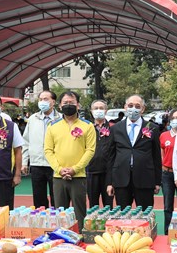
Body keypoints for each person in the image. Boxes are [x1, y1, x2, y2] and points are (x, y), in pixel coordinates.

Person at [43, 91, 95, 228]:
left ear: (78, 105)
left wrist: (75, 169)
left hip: (78, 176)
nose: (68, 105)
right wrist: (59, 169)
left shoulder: (88, 126)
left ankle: (80, 238)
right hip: (58, 177)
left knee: (79, 213)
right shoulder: (52, 126)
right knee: (60, 213)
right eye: (65, 103)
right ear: (59, 106)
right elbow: (48, 150)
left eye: (71, 103)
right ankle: (61, 240)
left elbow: (90, 150)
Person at [106, 94, 160, 209]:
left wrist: (157, 181)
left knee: (145, 215)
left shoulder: (153, 128)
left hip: (144, 178)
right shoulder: (116, 128)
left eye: (137, 106)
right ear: (125, 107)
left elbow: (156, 156)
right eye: (130, 105)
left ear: (143, 109)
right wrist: (109, 182)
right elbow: (111, 156)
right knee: (123, 216)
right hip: (121, 179)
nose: (133, 109)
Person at [22, 90, 62, 209]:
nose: (42, 102)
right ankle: (41, 223)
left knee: (57, 198)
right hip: (37, 164)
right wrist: (24, 162)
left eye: (46, 99)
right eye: (40, 99)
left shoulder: (60, 118)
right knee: (39, 199)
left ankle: (57, 222)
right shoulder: (33, 119)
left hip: (55, 164)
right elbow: (26, 141)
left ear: (53, 102)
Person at [86, 99, 115, 208]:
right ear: (91, 111)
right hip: (91, 172)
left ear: (106, 111)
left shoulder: (113, 128)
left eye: (101, 108)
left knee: (109, 206)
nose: (98, 110)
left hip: (108, 173)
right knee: (93, 207)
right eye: (96, 108)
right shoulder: (86, 128)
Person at [160, 110, 177, 233]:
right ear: (169, 120)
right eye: (173, 118)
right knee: (167, 205)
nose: (176, 120)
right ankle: (167, 232)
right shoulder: (164, 135)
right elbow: (162, 154)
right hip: (167, 174)